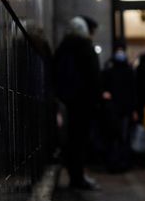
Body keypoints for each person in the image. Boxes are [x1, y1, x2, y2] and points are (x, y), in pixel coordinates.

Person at [53, 15, 102, 190]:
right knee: (81, 141)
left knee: (72, 141)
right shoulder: (85, 47)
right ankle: (78, 177)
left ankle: (75, 175)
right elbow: (94, 77)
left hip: (67, 103)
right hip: (84, 104)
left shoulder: (62, 48)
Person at [100, 44, 137, 172]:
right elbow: (133, 93)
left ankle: (115, 163)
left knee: (115, 137)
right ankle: (121, 162)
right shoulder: (128, 72)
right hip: (121, 110)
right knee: (121, 137)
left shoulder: (109, 72)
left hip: (115, 110)